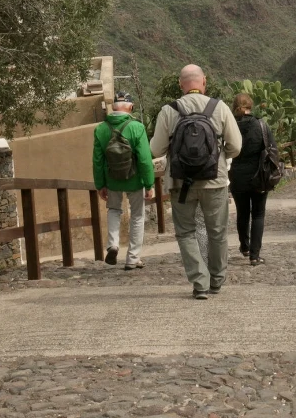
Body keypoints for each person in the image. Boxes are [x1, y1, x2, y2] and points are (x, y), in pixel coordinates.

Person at [150, 64, 242, 300]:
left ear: (181, 85)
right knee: (217, 231)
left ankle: (199, 283)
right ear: (204, 82)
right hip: (215, 180)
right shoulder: (219, 108)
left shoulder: (169, 110)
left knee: (186, 233)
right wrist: (219, 158)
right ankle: (216, 280)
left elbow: (156, 149)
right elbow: (236, 146)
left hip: (181, 183)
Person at [93, 91, 155, 270]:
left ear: (113, 108)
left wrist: (100, 184)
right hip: (134, 179)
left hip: (112, 180)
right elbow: (144, 159)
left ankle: (112, 244)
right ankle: (133, 258)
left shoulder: (101, 129)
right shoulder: (137, 127)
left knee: (113, 210)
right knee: (137, 216)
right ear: (130, 107)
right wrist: (149, 183)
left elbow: (97, 160)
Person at [227, 92, 273, 266]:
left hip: (237, 176)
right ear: (250, 106)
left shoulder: (229, 126)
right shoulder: (261, 125)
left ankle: (244, 247)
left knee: (243, 213)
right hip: (259, 176)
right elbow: (272, 148)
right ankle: (255, 255)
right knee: (258, 214)